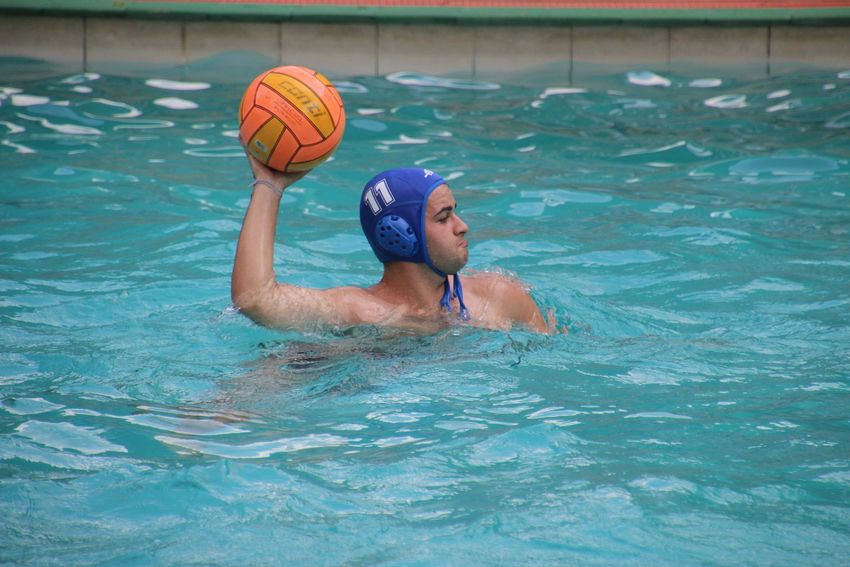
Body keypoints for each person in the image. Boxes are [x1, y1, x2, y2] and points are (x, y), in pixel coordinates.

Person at [231, 152, 552, 334]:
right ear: (399, 234)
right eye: (444, 218)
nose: (462, 227)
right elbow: (255, 299)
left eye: (456, 213)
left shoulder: (500, 295)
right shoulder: (360, 311)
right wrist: (269, 185)